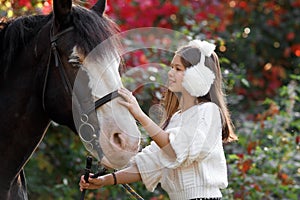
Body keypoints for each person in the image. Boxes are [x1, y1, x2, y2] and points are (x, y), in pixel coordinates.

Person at [79, 39, 238, 200]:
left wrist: (139, 115)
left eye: (178, 68)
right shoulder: (177, 119)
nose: (170, 73)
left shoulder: (208, 112)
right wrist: (104, 180)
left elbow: (175, 150)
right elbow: (150, 163)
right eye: (171, 67)